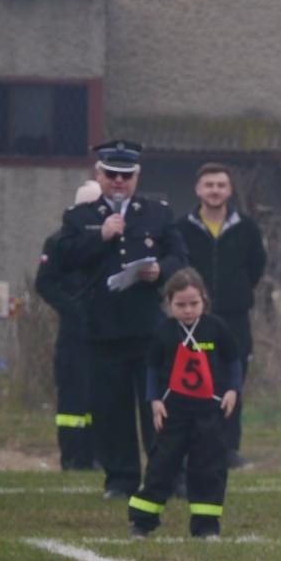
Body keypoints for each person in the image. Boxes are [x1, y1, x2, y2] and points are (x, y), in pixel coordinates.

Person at [56, 140, 187, 498]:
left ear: (136, 177)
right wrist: (100, 236)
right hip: (102, 328)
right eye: (112, 174)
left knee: (158, 406)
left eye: (126, 176)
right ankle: (120, 478)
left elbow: (180, 255)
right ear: (98, 174)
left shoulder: (157, 213)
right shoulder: (79, 217)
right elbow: (64, 259)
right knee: (111, 409)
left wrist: (160, 270)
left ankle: (166, 476)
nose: (118, 181)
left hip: (147, 327)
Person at [127, 268, 243, 539]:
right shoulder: (164, 332)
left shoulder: (216, 328)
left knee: (209, 468)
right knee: (160, 467)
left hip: (209, 412)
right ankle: (142, 522)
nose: (188, 310)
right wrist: (154, 401)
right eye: (181, 305)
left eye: (194, 303)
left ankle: (206, 526)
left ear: (204, 300)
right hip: (174, 413)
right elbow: (152, 368)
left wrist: (232, 390)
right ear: (169, 303)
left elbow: (234, 360)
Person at [177, 163, 267, 469]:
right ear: (198, 189)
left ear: (229, 190)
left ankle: (228, 448)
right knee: (193, 382)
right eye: (209, 185)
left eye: (220, 185)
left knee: (231, 380)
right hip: (193, 319)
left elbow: (256, 266)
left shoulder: (247, 228)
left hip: (234, 318)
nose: (214, 191)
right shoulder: (182, 228)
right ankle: (194, 446)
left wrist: (236, 292)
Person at [35, 179, 102, 471]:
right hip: (75, 334)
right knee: (74, 398)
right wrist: (73, 308)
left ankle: (99, 454)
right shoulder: (58, 242)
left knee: (102, 396)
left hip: (107, 332)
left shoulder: (113, 241)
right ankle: (74, 457)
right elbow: (44, 283)